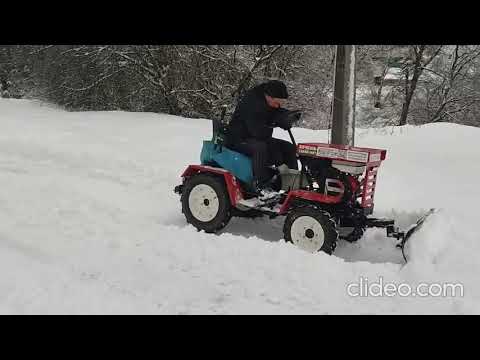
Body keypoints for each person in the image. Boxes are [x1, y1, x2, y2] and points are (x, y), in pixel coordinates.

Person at [225, 80, 299, 195]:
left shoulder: (268, 100)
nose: (279, 106)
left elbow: (275, 112)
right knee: (261, 148)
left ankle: (292, 185)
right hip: (238, 138)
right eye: (277, 102)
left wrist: (287, 117)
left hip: (255, 136)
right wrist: (279, 163)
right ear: (268, 96)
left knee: (288, 147)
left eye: (281, 103)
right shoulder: (252, 103)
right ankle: (261, 186)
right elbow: (260, 133)